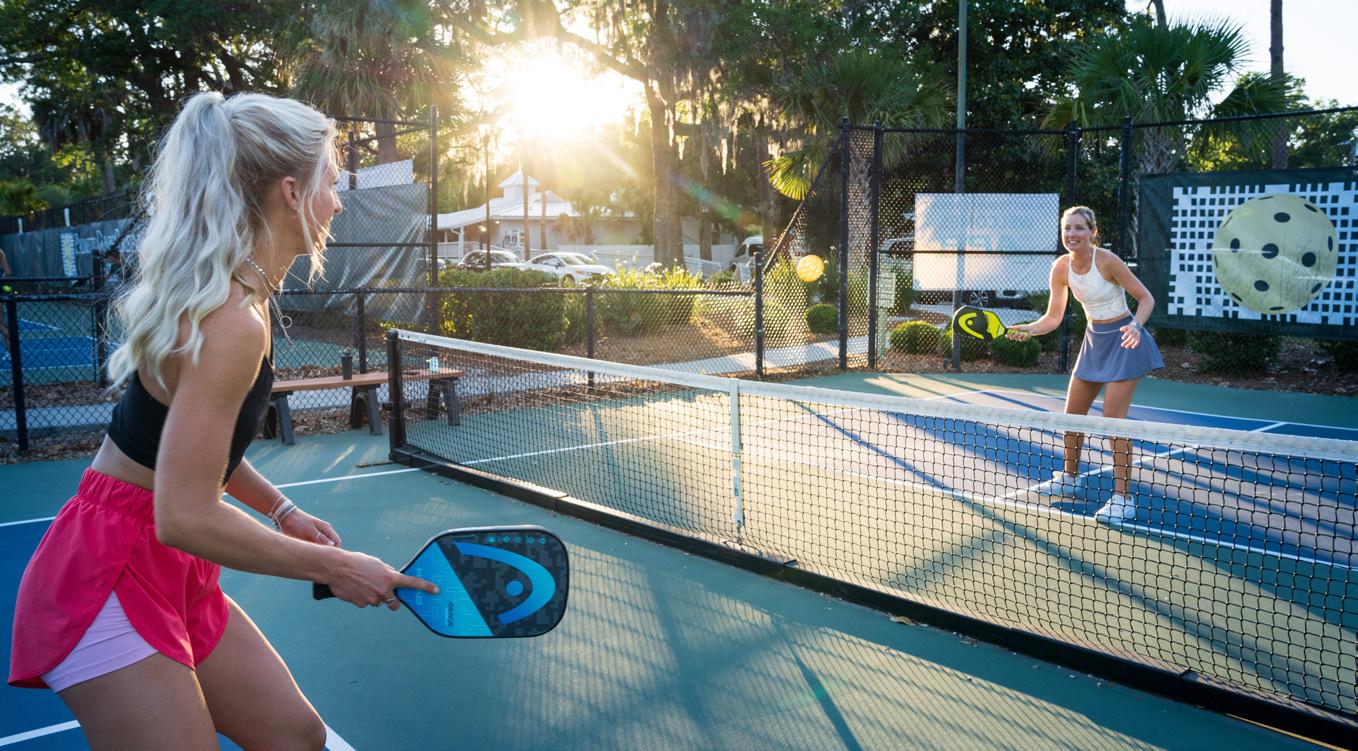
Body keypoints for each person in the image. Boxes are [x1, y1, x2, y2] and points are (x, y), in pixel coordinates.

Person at [8, 92, 438, 750]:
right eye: (331, 182)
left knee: (297, 736)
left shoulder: (240, 301)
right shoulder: (231, 319)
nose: (337, 202)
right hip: (108, 570)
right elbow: (183, 513)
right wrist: (337, 568)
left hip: (169, 559)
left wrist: (284, 510)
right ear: (291, 192)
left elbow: (189, 451)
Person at [1006, 205, 1164, 524]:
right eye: (1067, 228)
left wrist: (1136, 327)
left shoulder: (1107, 261)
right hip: (1094, 341)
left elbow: (1146, 298)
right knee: (1072, 417)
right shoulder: (1061, 267)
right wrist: (1029, 329)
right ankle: (1070, 477)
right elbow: (1053, 317)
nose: (1072, 234)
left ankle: (1123, 498)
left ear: (1093, 232)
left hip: (1124, 340)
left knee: (1113, 422)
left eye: (1079, 228)